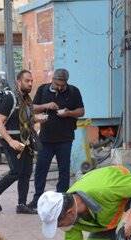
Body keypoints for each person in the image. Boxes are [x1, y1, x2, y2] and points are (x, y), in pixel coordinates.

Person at [28, 68, 85, 209]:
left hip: (65, 138)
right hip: (46, 138)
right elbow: (32, 108)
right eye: (57, 83)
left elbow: (81, 111)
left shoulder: (73, 91)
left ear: (66, 82)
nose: (59, 87)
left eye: (62, 84)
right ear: (52, 79)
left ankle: (62, 199)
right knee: (41, 168)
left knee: (64, 169)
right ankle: (38, 198)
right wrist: (46, 106)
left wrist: (69, 113)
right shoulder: (43, 89)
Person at [0, 69, 39, 214]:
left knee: (26, 173)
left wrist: (40, 119)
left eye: (31, 81)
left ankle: (22, 205)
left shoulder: (27, 100)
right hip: (11, 140)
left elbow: (26, 119)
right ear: (18, 81)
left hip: (25, 140)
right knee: (16, 171)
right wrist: (10, 141)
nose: (30, 83)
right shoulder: (10, 98)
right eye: (27, 81)